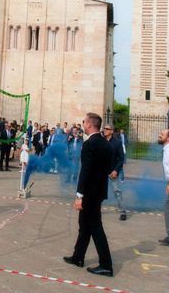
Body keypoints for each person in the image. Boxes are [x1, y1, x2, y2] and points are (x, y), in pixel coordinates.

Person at [64, 112, 114, 277]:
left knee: (95, 227)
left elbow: (85, 171)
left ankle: (106, 264)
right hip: (99, 191)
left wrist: (79, 195)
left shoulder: (90, 144)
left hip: (89, 193)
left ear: (89, 125)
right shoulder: (105, 144)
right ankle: (78, 257)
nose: (82, 124)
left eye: (84, 122)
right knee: (84, 225)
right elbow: (106, 168)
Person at [103, 125, 127, 221]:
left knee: (117, 191)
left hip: (113, 171)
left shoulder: (117, 142)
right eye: (104, 128)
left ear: (112, 131)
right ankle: (95, 210)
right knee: (98, 190)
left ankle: (123, 212)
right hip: (103, 171)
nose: (105, 130)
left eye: (107, 129)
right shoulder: (101, 141)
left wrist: (116, 170)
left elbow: (121, 159)